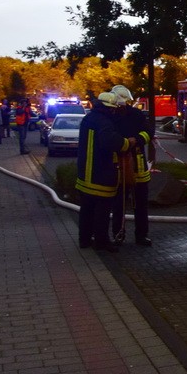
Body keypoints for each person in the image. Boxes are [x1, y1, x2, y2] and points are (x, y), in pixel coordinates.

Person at [76, 91, 133, 253]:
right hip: (100, 176)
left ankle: (84, 240)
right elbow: (112, 142)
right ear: (110, 108)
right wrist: (127, 143)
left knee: (86, 210)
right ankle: (102, 241)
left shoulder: (89, 118)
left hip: (85, 175)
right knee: (102, 211)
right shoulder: (104, 122)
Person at [109, 85, 152, 246]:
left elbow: (148, 132)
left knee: (140, 205)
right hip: (118, 166)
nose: (120, 106)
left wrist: (137, 140)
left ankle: (141, 235)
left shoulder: (136, 114)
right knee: (118, 204)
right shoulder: (110, 116)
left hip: (138, 166)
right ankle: (118, 234)